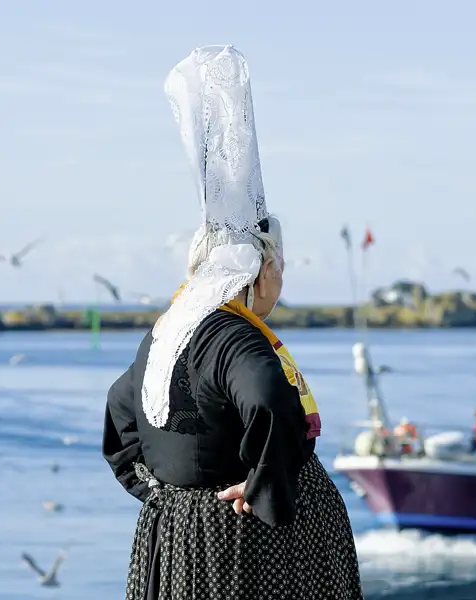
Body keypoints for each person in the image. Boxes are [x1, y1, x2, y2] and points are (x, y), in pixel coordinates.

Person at [102, 46, 363, 600]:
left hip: (178, 540)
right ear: (263, 268)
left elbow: (120, 411)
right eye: (281, 267)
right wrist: (267, 484)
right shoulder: (231, 335)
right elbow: (270, 398)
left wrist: (164, 493)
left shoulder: (168, 330)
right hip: (243, 547)